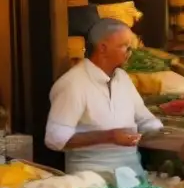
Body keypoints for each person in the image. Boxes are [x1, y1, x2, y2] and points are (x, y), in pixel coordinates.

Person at [45, 19, 163, 176]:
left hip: (132, 172)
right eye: (124, 46)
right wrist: (109, 136)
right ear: (102, 48)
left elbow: (145, 119)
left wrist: (164, 134)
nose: (130, 52)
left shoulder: (122, 78)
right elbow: (54, 138)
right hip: (91, 178)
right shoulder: (72, 83)